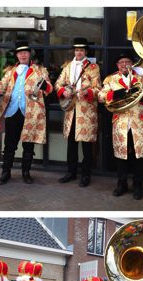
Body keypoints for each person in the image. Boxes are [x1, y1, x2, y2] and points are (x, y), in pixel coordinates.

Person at [0, 41, 52, 185]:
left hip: (31, 113)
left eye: (25, 52)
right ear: (17, 55)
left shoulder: (40, 70)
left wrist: (45, 85)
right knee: (10, 145)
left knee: (28, 145)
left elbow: (49, 89)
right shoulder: (10, 71)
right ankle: (6, 172)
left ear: (30, 54)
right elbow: (1, 84)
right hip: (12, 111)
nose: (23, 55)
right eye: (20, 53)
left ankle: (26, 172)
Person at [100, 52, 143, 199]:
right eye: (122, 62)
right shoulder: (111, 79)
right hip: (120, 124)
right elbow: (101, 96)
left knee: (140, 157)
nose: (125, 64)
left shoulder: (141, 79)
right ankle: (122, 185)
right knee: (121, 157)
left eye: (127, 62)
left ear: (132, 64)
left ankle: (138, 186)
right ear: (117, 65)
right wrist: (116, 95)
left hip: (138, 123)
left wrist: (140, 96)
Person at [55, 37, 100, 187]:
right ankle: (71, 172)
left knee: (87, 145)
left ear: (85, 51)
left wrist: (87, 93)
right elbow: (58, 83)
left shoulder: (93, 68)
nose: (78, 52)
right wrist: (62, 91)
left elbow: (98, 88)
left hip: (86, 111)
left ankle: (86, 174)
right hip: (71, 111)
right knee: (71, 144)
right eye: (76, 50)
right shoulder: (67, 67)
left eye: (81, 50)